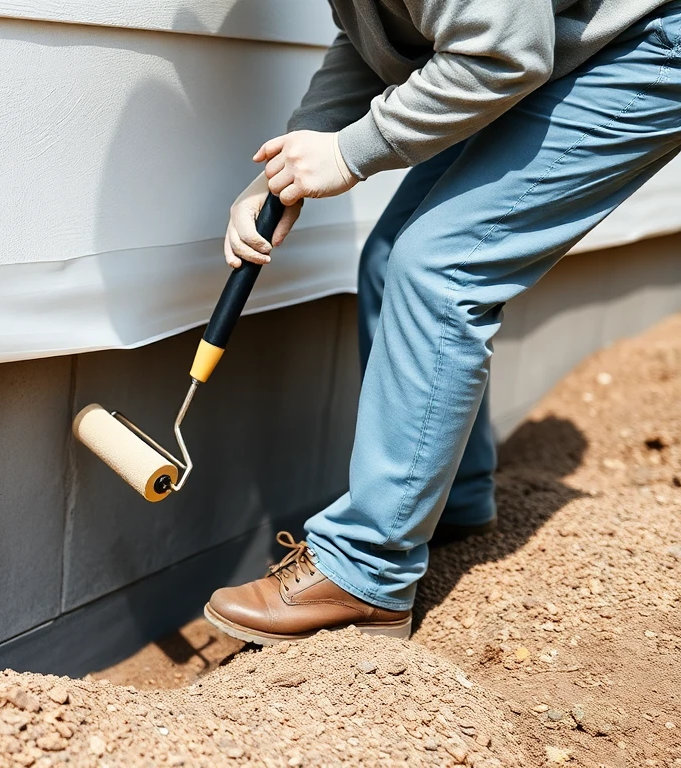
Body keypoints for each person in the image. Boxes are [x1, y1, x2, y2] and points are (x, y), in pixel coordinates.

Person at [204, 0, 681, 645]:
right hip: (548, 40)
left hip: (645, 38)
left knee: (440, 269)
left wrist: (351, 151)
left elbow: (502, 53)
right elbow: (374, 33)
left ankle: (367, 571)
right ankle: (447, 496)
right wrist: (287, 166)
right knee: (389, 260)